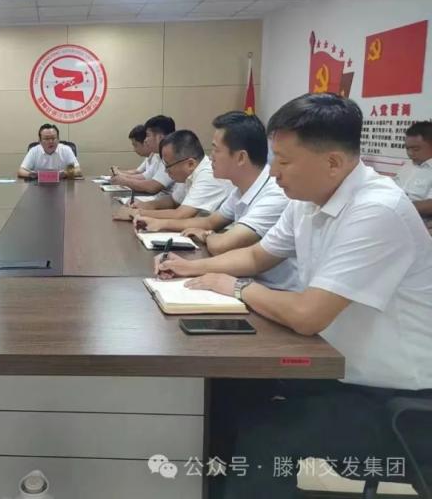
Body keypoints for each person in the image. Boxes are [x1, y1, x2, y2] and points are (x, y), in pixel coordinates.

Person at [154, 94, 432, 499]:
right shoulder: (308, 199)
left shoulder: (377, 210)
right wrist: (190, 268)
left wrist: (237, 287)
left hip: (396, 399)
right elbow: (256, 255)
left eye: (284, 161)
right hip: (335, 366)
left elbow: (307, 315)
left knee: (265, 440)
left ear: (332, 162)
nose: (274, 172)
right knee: (223, 393)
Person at [137, 112, 297, 290]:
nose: (210, 157)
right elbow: (210, 221)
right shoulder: (241, 188)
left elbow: (222, 245)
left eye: (216, 150)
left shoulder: (275, 194)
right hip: (246, 280)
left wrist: (207, 235)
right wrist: (161, 224)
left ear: (241, 158)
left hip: (273, 290)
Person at [115, 129, 232, 222]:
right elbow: (173, 201)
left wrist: (136, 213)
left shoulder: (208, 175)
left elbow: (181, 214)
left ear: (190, 164)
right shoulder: (189, 173)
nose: (166, 171)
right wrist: (147, 205)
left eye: (168, 166)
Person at [110, 115, 175, 194]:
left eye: (148, 135)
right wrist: (121, 177)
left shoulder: (172, 156)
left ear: (160, 138)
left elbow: (152, 186)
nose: (145, 140)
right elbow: (145, 177)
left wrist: (124, 181)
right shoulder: (158, 156)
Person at [395, 120, 432, 224]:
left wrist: (398, 206)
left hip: (419, 224)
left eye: (416, 149)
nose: (410, 153)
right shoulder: (407, 166)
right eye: (407, 149)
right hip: (394, 218)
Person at [17, 123, 82, 179]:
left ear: (58, 139)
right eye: (46, 138)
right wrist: (35, 175)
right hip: (39, 185)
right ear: (40, 141)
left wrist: (65, 174)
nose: (50, 141)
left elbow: (78, 170)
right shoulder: (34, 151)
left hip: (62, 184)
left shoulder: (66, 150)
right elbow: (21, 171)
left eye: (53, 138)